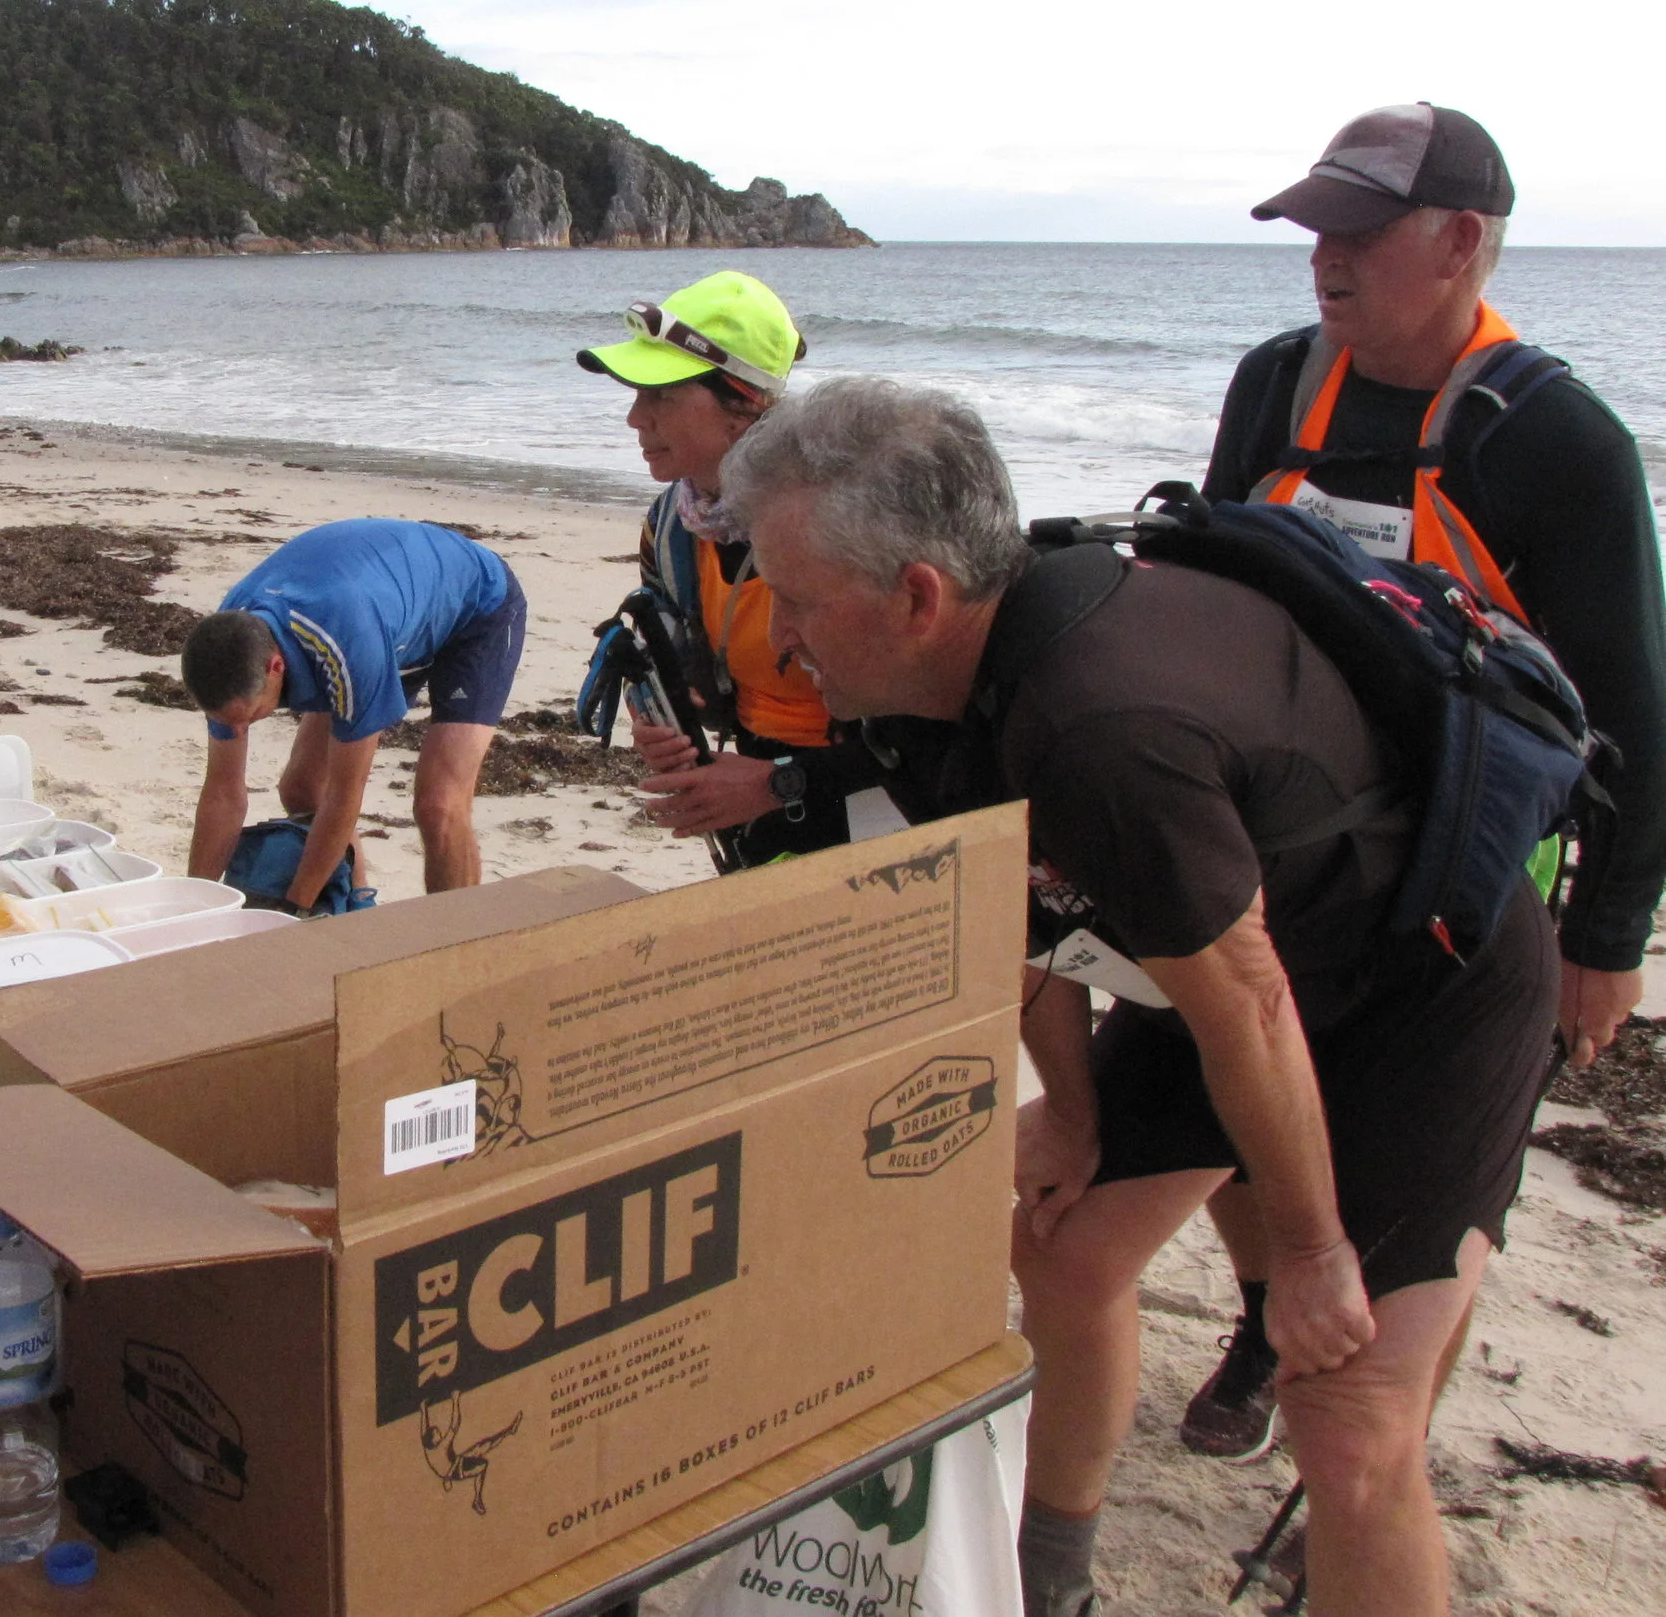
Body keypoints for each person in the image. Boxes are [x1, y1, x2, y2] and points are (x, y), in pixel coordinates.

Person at [722, 376, 1559, 1617]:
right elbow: (1026, 906)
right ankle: (1052, 1576)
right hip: (1224, 956)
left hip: (1416, 993)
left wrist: (1311, 1254)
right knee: (1059, 1248)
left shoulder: (1102, 727)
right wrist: (1070, 1109)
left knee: (1348, 1418)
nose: (780, 639)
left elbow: (1247, 1005)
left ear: (917, 595)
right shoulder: (939, 682)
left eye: (795, 603)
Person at [1174, 103, 1666, 1462]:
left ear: (1459, 241)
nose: (1322, 256)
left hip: (1478, 886)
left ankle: (1373, 1454)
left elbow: (1634, 712)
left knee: (1434, 1214)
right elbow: (1209, 596)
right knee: (1245, 1115)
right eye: (1314, 227)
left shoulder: (1559, 442)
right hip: (1279, 850)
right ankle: (1268, 1309)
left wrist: (1608, 940)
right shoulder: (1277, 384)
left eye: (1357, 230)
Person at [575, 270, 874, 868]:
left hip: (876, 808)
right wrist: (667, 719)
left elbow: (943, 737)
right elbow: (702, 673)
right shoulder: (671, 528)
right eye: (636, 394)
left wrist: (776, 783)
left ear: (743, 403)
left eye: (659, 394)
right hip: (761, 800)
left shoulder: (856, 526)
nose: (636, 417)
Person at [181, 518, 525, 909]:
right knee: (302, 788)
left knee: (440, 804)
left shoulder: (345, 646)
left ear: (275, 667)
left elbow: (345, 798)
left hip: (475, 608)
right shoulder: (224, 651)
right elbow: (224, 792)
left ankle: (458, 942)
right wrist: (196, 906)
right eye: (229, 723)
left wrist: (295, 909)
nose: (238, 730)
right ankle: (359, 901)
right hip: (388, 612)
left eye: (248, 716)